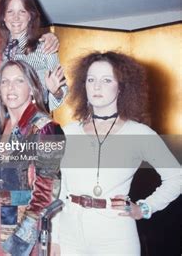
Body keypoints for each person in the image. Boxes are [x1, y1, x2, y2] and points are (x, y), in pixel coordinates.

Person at [51, 51, 181, 255]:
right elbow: (59, 190)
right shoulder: (68, 132)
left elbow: (177, 177)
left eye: (106, 80)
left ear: (121, 87)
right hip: (70, 234)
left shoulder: (139, 133)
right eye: (91, 79)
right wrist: (54, 239)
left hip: (116, 235)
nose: (96, 86)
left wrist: (145, 208)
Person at [0, 60, 65, 255]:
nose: (10, 87)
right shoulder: (1, 124)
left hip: (23, 223)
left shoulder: (46, 127)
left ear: (32, 89)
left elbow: (48, 187)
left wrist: (22, 238)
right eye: (4, 82)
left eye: (18, 81)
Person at [0, 0, 67, 111]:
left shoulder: (44, 47)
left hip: (34, 118)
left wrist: (56, 92)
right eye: (10, 12)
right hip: (4, 120)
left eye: (22, 12)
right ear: (3, 16)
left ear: (30, 16)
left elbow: (62, 90)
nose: (16, 18)